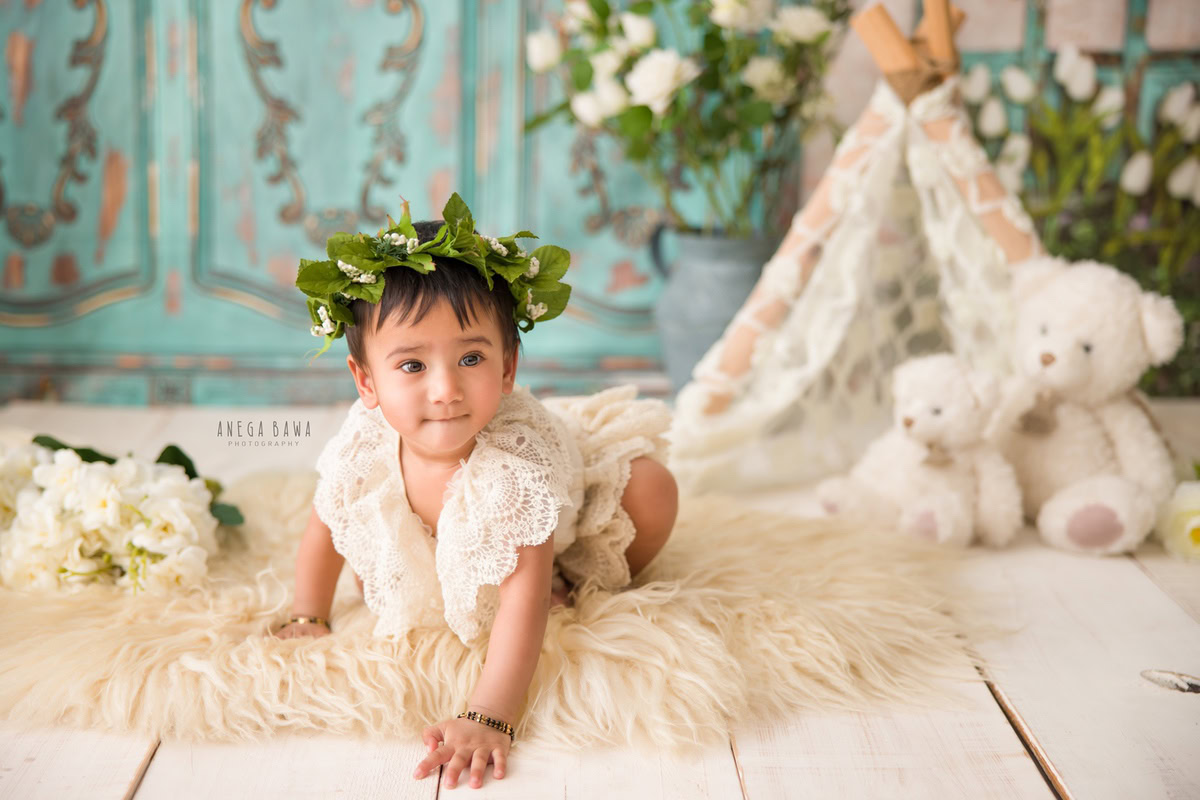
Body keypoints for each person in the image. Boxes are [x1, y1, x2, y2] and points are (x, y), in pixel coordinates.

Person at [274, 194, 679, 790]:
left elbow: (522, 590)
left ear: (509, 367)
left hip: (552, 536)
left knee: (650, 488)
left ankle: (582, 580)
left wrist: (490, 715)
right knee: (368, 546)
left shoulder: (514, 466)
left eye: (471, 358)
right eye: (411, 366)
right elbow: (326, 522)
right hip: (438, 542)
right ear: (366, 381)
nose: (445, 390)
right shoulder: (366, 441)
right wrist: (309, 612)